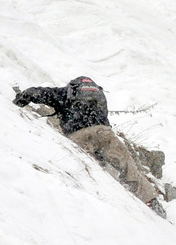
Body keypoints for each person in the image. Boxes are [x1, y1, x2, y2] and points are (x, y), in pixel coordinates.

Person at [13, 76, 166, 218]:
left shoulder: (64, 93)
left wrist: (20, 100)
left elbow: (37, 93)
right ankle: (151, 201)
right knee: (128, 168)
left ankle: (106, 201)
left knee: (93, 169)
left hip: (78, 135)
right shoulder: (99, 95)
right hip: (104, 133)